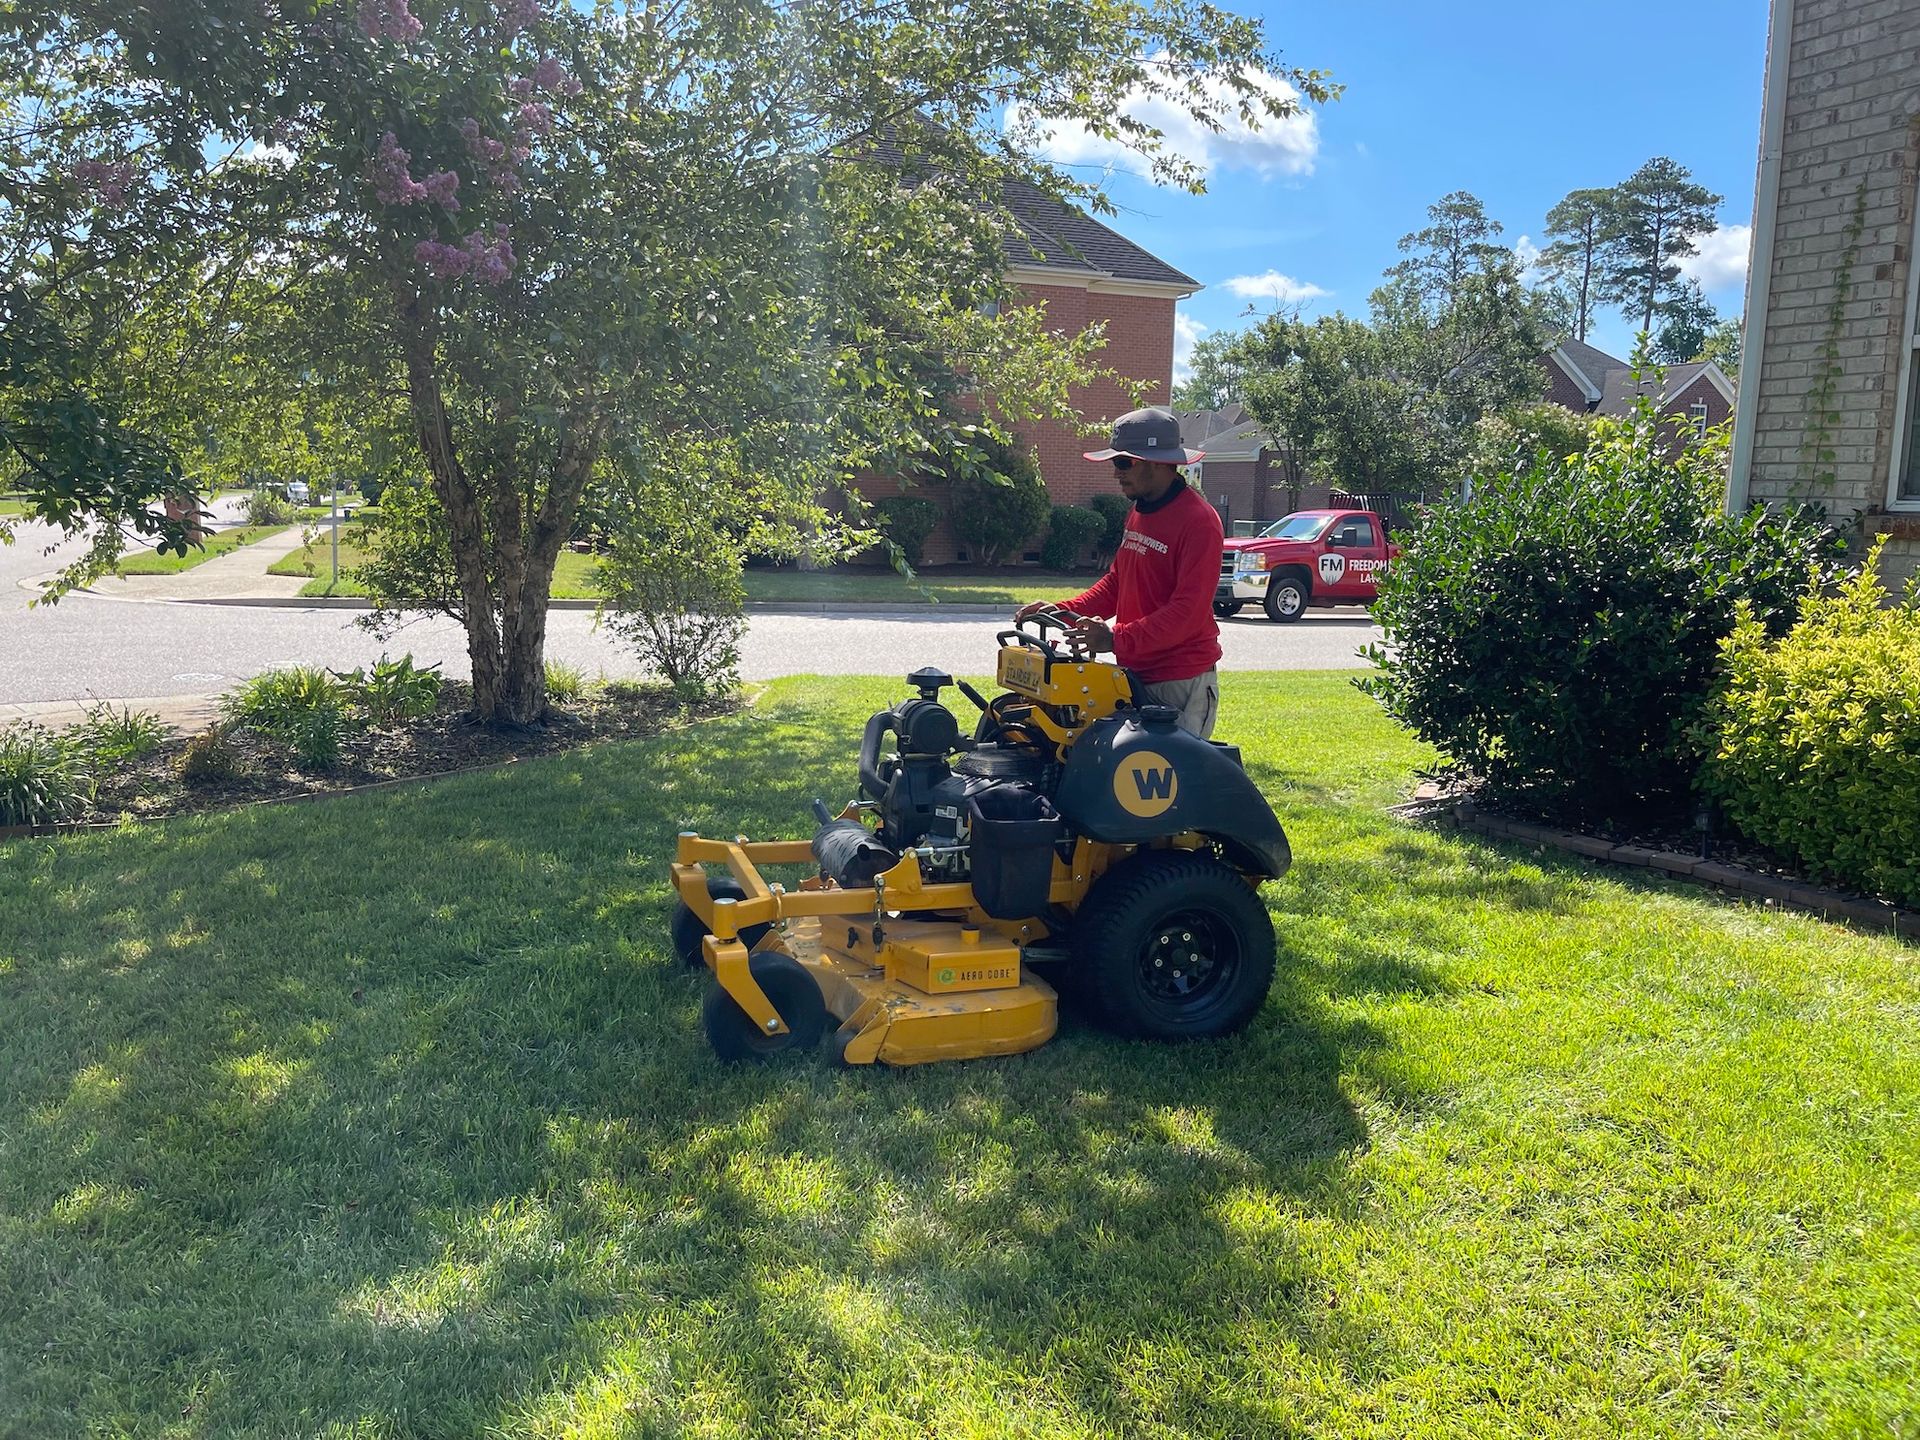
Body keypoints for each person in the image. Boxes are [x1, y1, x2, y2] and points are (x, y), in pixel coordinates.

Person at [1015, 406, 1223, 738]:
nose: (1116, 473)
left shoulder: (1200, 522)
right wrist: (1062, 611)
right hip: (1133, 673)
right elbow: (1117, 584)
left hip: (1178, 682)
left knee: (1164, 787)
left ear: (1156, 462)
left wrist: (1115, 639)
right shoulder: (1139, 511)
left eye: (1123, 462)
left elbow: (1188, 612)